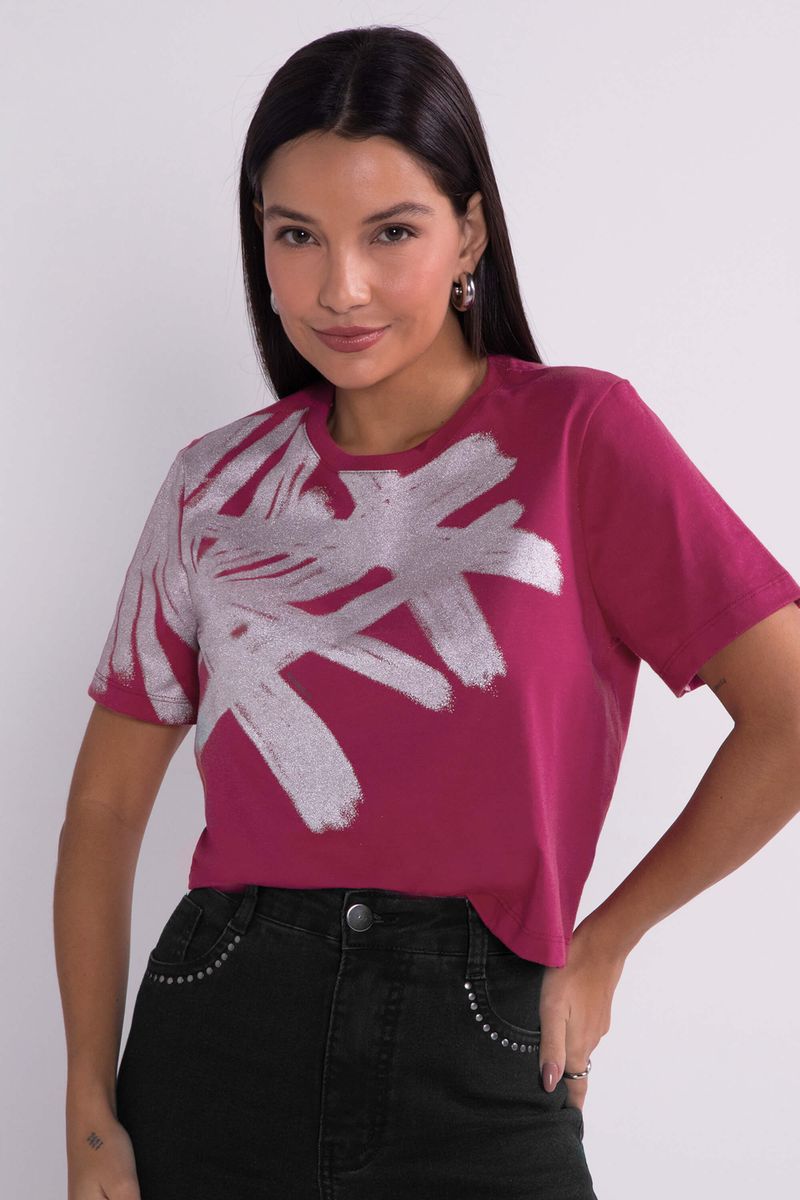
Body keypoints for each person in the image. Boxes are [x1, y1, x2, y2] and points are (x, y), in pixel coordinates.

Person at [55, 24, 800, 1200]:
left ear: (470, 234)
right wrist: (88, 1108)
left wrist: (604, 945)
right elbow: (103, 808)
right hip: (218, 1048)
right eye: (295, 235)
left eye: (389, 232)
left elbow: (788, 714)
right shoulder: (212, 486)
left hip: (485, 1050)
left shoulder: (578, 439)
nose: (338, 287)